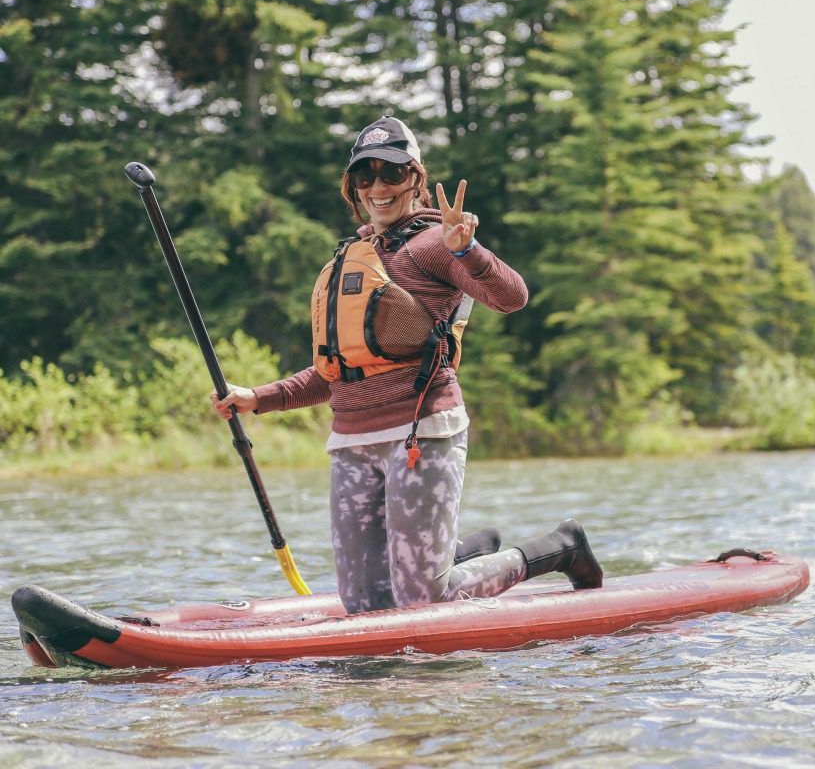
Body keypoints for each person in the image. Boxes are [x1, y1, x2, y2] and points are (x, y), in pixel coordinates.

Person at [211, 115, 602, 613]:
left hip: (422, 433)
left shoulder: (437, 243)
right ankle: (462, 551)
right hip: (351, 443)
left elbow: (513, 297)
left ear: (416, 178)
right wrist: (256, 398)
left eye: (391, 174)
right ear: (351, 186)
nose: (378, 187)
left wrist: (470, 249)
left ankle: (560, 547)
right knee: (363, 605)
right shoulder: (348, 259)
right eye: (365, 176)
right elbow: (339, 373)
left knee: (423, 597)